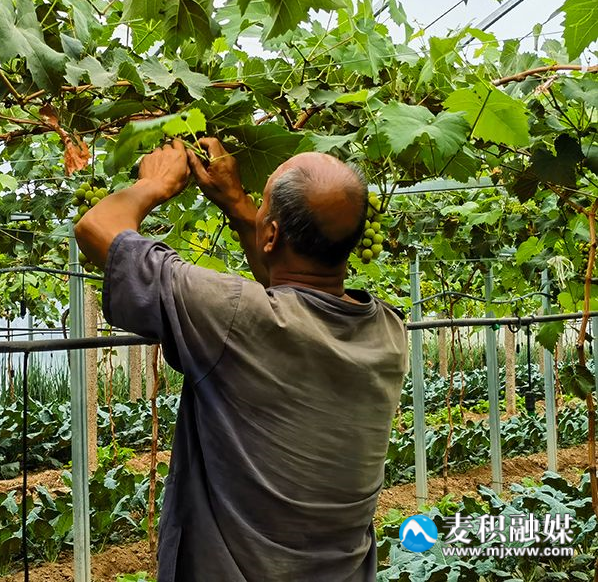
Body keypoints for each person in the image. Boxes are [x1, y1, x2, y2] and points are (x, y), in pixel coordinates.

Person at [74, 138, 408, 582]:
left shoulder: (231, 314)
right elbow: (291, 288)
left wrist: (154, 183)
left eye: (264, 207)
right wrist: (236, 201)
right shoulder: (388, 331)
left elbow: (97, 227)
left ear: (270, 234)